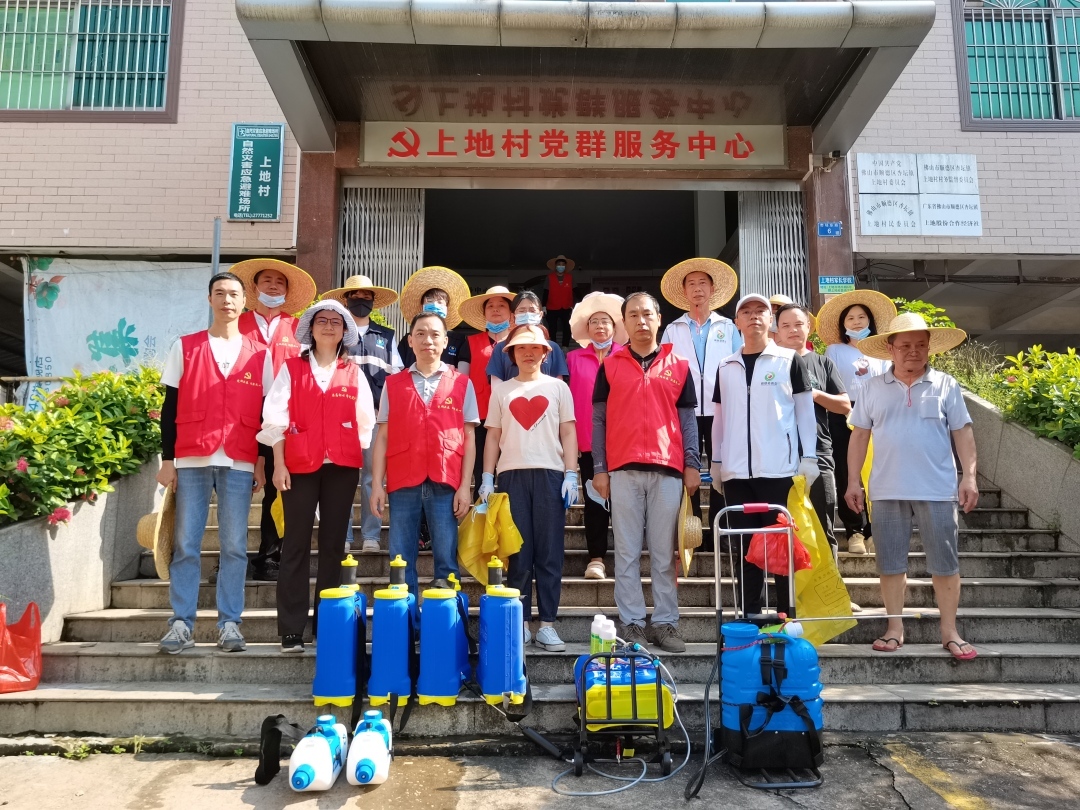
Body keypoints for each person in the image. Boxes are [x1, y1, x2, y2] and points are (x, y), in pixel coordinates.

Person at [845, 313, 978, 660]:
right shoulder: (872, 387)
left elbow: (962, 431)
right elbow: (859, 436)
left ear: (929, 347)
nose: (913, 351)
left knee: (945, 563)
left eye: (920, 345)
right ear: (890, 348)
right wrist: (853, 481)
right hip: (886, 488)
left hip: (938, 489)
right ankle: (894, 628)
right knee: (890, 564)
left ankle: (950, 631)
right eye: (905, 345)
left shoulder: (946, 384)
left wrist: (969, 476)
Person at [156, 272, 274, 655]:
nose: (227, 300)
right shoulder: (186, 347)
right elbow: (170, 407)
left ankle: (230, 624)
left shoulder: (260, 353)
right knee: (186, 543)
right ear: (209, 299)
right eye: (220, 293)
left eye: (234, 294)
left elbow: (266, 412)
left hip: (240, 458)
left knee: (235, 545)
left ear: (244, 302)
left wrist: (261, 461)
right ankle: (181, 624)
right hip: (192, 456)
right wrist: (168, 460)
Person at [258, 300, 376, 653]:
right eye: (322, 320)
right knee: (295, 543)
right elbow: (275, 419)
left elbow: (365, 424)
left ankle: (327, 624)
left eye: (336, 322)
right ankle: (291, 628)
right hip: (298, 466)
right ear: (310, 328)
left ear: (344, 331)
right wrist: (279, 464)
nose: (328, 326)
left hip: (341, 467)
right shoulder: (291, 369)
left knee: (333, 545)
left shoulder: (353, 372)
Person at [592, 292, 700, 653]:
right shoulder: (610, 365)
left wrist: (692, 464)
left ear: (659, 318)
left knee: (663, 553)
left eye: (647, 314)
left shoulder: (679, 364)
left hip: (667, 468)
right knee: (625, 552)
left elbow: (688, 420)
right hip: (622, 469)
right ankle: (633, 624)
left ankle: (666, 623)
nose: (641, 321)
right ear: (624, 322)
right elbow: (598, 420)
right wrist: (599, 468)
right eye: (633, 315)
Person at [710, 294, 819, 618]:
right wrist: (716, 461)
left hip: (778, 471)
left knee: (781, 548)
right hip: (736, 474)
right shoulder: (725, 366)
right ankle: (750, 617)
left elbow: (805, 412)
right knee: (746, 551)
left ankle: (786, 619)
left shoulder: (788, 360)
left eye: (761, 311)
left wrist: (809, 457)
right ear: (736, 323)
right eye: (746, 312)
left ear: (770, 320)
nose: (754, 316)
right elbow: (719, 418)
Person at [479, 325, 578, 651]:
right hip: (512, 476)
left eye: (535, 347)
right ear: (511, 353)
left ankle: (547, 624)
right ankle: (519, 622)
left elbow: (568, 432)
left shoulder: (558, 388)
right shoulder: (502, 391)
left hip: (551, 475)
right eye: (521, 348)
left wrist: (571, 474)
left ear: (546, 353)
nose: (529, 353)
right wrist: (488, 477)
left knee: (549, 552)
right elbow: (493, 436)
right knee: (518, 553)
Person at [370, 312, 478, 594]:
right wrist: (377, 484)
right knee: (400, 560)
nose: (427, 340)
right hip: (403, 480)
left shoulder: (461, 383)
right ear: (410, 341)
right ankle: (404, 619)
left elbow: (469, 437)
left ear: (445, 342)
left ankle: (445, 619)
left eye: (434, 334)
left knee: (446, 560)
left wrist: (465, 486)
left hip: (445, 480)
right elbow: (383, 436)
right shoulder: (393, 383)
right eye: (420, 334)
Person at [232, 259, 317, 582]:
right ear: (254, 288)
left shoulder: (298, 329)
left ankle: (269, 556)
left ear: (287, 291)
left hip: (281, 419)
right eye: (266, 280)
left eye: (279, 282)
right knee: (235, 490)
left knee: (276, 490)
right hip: (239, 417)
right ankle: (229, 559)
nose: (272, 285)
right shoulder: (237, 324)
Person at [322, 275, 403, 554]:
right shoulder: (336, 335)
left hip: (376, 421)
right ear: (345, 300)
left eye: (366, 296)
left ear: (373, 302)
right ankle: (342, 536)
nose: (361, 300)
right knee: (341, 479)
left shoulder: (386, 337)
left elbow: (396, 379)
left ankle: (371, 535)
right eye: (355, 296)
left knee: (373, 477)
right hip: (339, 420)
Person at [659, 258, 741, 531]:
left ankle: (721, 530)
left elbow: (739, 365)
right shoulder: (673, 329)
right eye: (691, 284)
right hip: (685, 411)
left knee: (723, 468)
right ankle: (691, 532)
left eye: (703, 283)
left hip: (722, 409)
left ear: (712, 288)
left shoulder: (727, 327)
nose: (697, 289)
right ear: (684, 291)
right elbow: (664, 369)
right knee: (688, 468)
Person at [818, 290, 898, 555]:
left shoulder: (882, 353)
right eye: (850, 318)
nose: (856, 321)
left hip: (877, 414)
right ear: (843, 324)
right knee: (846, 472)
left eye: (861, 317)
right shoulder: (834, 350)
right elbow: (830, 385)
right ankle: (855, 531)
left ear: (870, 321)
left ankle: (876, 529)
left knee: (877, 471)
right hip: (844, 415)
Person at [566, 292, 626, 580]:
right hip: (588, 442)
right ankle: (596, 558)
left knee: (625, 501)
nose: (600, 326)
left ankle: (626, 556)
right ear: (586, 328)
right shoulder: (572, 359)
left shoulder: (626, 355)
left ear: (615, 327)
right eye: (594, 322)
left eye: (605, 321)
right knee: (594, 501)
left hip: (623, 442)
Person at [458, 285, 516, 493]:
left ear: (511, 313)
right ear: (484, 313)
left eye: (501, 305)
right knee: (482, 474)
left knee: (511, 476)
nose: (496, 309)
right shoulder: (470, 342)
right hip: (480, 416)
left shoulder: (520, 343)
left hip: (515, 416)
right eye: (490, 306)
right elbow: (461, 382)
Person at [396, 266, 472, 372]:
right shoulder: (407, 339)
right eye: (430, 301)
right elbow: (398, 370)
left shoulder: (460, 340)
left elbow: (463, 374)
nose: (435, 305)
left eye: (440, 302)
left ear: (447, 308)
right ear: (422, 306)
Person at [487, 291, 569, 382]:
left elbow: (559, 384)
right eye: (522, 311)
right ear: (513, 316)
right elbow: (496, 386)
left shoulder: (553, 348)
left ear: (540, 315)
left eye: (532, 311)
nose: (527, 314)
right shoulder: (501, 348)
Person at [543, 254, 576, 346]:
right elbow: (546, 292)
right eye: (559, 264)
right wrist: (543, 306)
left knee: (567, 326)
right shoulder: (549, 277)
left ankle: (565, 345)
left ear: (565, 266)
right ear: (556, 266)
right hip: (551, 307)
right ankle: (553, 345)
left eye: (562, 265)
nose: (560, 266)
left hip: (567, 307)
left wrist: (580, 304)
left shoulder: (570, 277)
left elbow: (576, 291)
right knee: (552, 327)